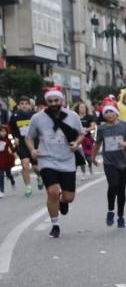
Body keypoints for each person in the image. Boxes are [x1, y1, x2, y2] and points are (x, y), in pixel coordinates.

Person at [26, 85, 84, 238]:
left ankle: (63, 202)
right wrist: (32, 149)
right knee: (52, 192)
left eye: (56, 100)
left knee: (69, 197)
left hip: (67, 160)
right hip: (47, 159)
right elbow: (29, 137)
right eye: (50, 101)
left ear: (62, 100)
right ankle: (55, 225)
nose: (53, 103)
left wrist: (77, 143)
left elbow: (82, 134)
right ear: (46, 102)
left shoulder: (72, 116)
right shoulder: (37, 118)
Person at [93, 102, 126, 228]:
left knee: (121, 190)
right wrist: (93, 157)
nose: (108, 114)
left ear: (116, 113)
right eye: (106, 112)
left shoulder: (125, 126)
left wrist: (125, 144)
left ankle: (121, 216)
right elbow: (97, 143)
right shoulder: (101, 128)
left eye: (111, 111)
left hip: (124, 162)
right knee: (113, 185)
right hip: (109, 162)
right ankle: (111, 210)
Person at [9, 96, 39, 196]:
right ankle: (28, 187)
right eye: (22, 104)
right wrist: (15, 137)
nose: (24, 106)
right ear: (18, 106)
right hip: (22, 144)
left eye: (26, 104)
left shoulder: (35, 115)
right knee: (25, 164)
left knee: (36, 167)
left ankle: (40, 177)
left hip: (34, 143)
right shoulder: (15, 116)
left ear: (30, 105)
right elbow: (12, 129)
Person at [0, 124, 15, 197]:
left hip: (6, 159)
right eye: (1, 131)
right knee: (1, 175)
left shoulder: (8, 141)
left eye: (4, 131)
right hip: (0, 160)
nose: (3, 133)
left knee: (8, 174)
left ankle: (12, 180)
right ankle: (1, 191)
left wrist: (12, 150)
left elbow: (12, 150)